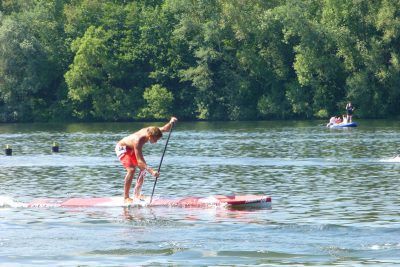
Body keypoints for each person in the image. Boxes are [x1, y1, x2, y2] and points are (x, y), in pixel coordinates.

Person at [115, 117, 178, 203]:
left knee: (143, 169)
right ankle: (126, 197)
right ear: (150, 136)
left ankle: (137, 194)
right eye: (155, 139)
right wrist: (151, 171)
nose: (156, 142)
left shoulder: (153, 130)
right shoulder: (138, 140)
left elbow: (164, 128)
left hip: (131, 148)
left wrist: (171, 122)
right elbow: (140, 161)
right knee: (131, 170)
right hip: (122, 148)